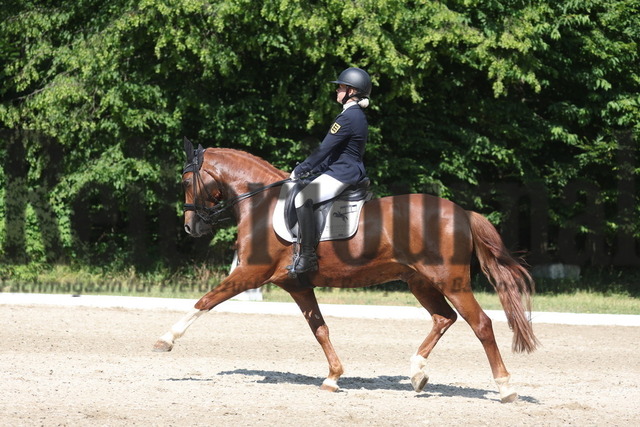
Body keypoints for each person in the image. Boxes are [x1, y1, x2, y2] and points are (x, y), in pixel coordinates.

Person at [288, 67, 372, 275]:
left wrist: (300, 169)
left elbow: (324, 149)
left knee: (302, 198)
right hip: (341, 169)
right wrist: (313, 172)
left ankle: (307, 258)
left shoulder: (348, 117)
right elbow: (336, 153)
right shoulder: (355, 115)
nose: (337, 91)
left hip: (343, 173)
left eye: (341, 87)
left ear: (351, 91)